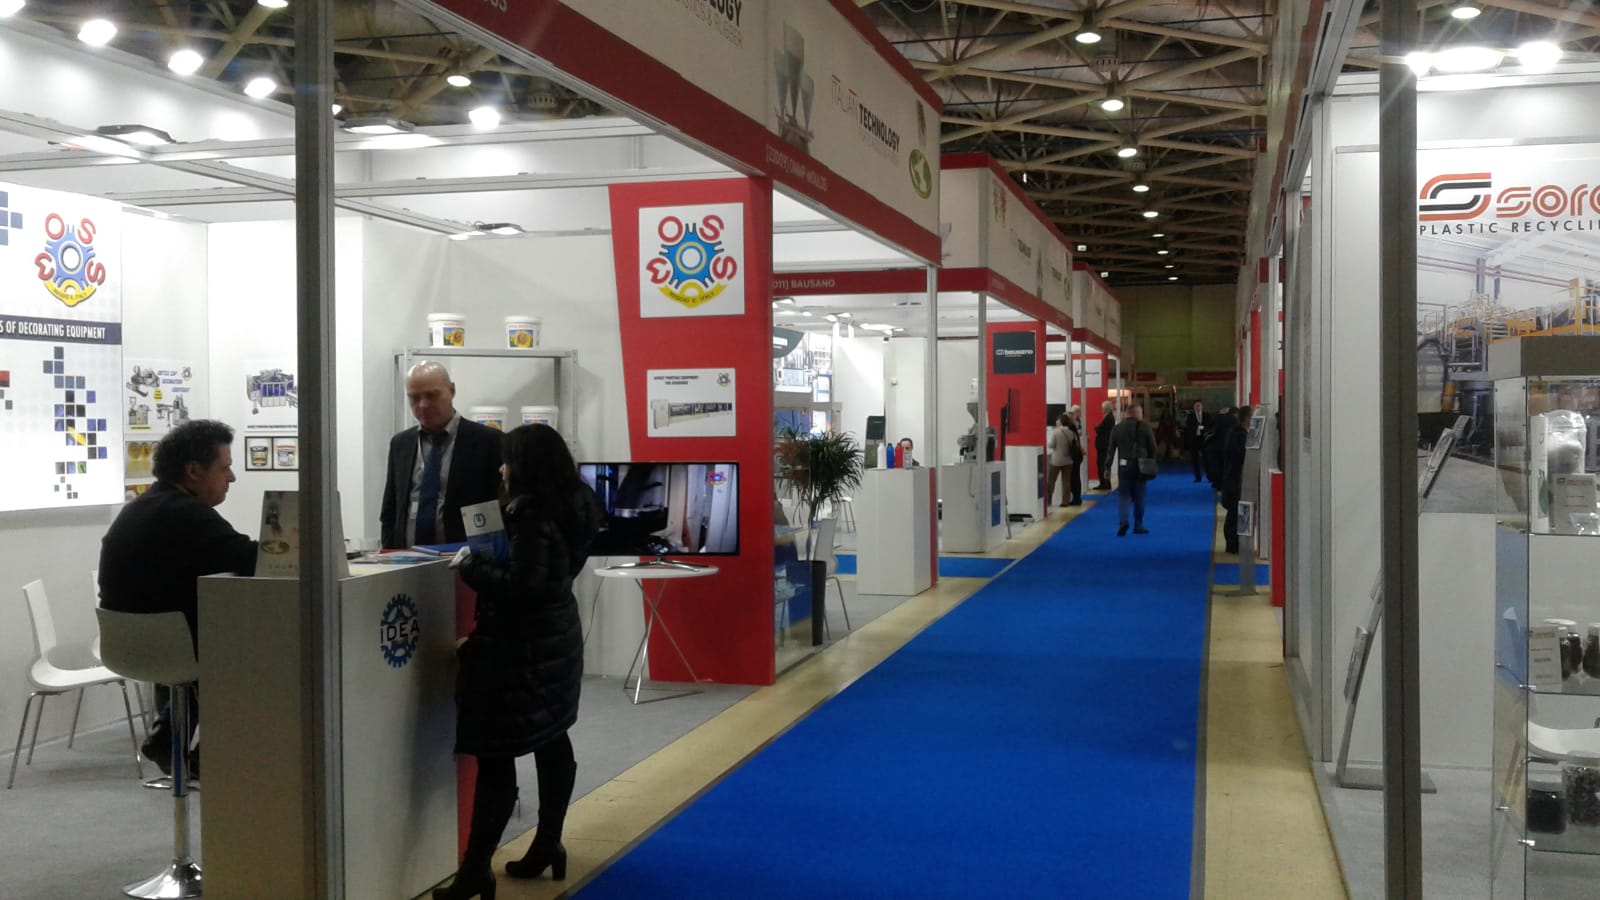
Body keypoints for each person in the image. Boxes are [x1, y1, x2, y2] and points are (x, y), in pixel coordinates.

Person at [432, 424, 604, 900]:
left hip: (516, 649)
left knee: (495, 755)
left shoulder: (530, 515)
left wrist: (471, 566)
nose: (502, 468)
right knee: (552, 737)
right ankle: (548, 843)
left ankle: (475, 871)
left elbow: (524, 589)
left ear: (525, 464)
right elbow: (550, 582)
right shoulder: (574, 506)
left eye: (508, 459)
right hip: (554, 641)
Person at [98, 419, 258, 775]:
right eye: (225, 468)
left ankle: (171, 732)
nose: (231, 478)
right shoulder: (188, 514)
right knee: (262, 646)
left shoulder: (140, 507)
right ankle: (211, 755)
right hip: (175, 649)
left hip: (126, 646)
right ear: (194, 471)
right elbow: (253, 558)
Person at [380, 361, 505, 548]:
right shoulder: (401, 444)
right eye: (414, 398)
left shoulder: (490, 442)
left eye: (431, 395)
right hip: (407, 559)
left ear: (451, 390)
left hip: (466, 559)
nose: (423, 405)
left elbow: (501, 509)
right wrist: (389, 555)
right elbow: (390, 512)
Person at [1110, 404, 1158, 536]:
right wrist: (1151, 461)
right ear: (1137, 413)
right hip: (1140, 466)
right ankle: (1138, 524)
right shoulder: (1145, 427)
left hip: (1123, 465)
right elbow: (1153, 447)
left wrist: (1107, 467)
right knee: (1139, 496)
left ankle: (1123, 521)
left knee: (1123, 496)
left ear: (1127, 413)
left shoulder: (1117, 428)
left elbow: (1111, 449)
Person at [1220, 406, 1251, 554]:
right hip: (1236, 479)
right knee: (1234, 512)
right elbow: (1241, 457)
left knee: (1233, 512)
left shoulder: (1233, 432)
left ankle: (1232, 543)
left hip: (1231, 477)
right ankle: (1233, 544)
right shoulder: (1240, 435)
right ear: (1247, 419)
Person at [1183, 400, 1211, 482]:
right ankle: (1198, 477)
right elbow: (1188, 428)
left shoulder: (1206, 415)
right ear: (1194, 407)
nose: (1198, 407)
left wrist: (1203, 428)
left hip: (1203, 439)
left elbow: (1210, 426)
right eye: (1196, 406)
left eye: (1199, 405)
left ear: (1202, 406)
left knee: (1206, 459)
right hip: (1194, 440)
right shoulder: (1190, 416)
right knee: (1195, 460)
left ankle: (1210, 476)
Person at [1093, 400, 1116, 491]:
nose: (1102, 410)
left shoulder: (1108, 418)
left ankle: (1105, 483)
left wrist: (1096, 427)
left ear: (1106, 409)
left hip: (1104, 446)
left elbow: (1100, 429)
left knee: (1102, 464)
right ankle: (1105, 483)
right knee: (1103, 464)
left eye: (1102, 408)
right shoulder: (1109, 417)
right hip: (1104, 445)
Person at [1064, 406, 1085, 505]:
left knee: (1074, 478)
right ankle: (1077, 498)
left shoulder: (1070, 429)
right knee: (1075, 477)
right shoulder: (1073, 428)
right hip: (1076, 455)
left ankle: (1076, 498)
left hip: (1074, 456)